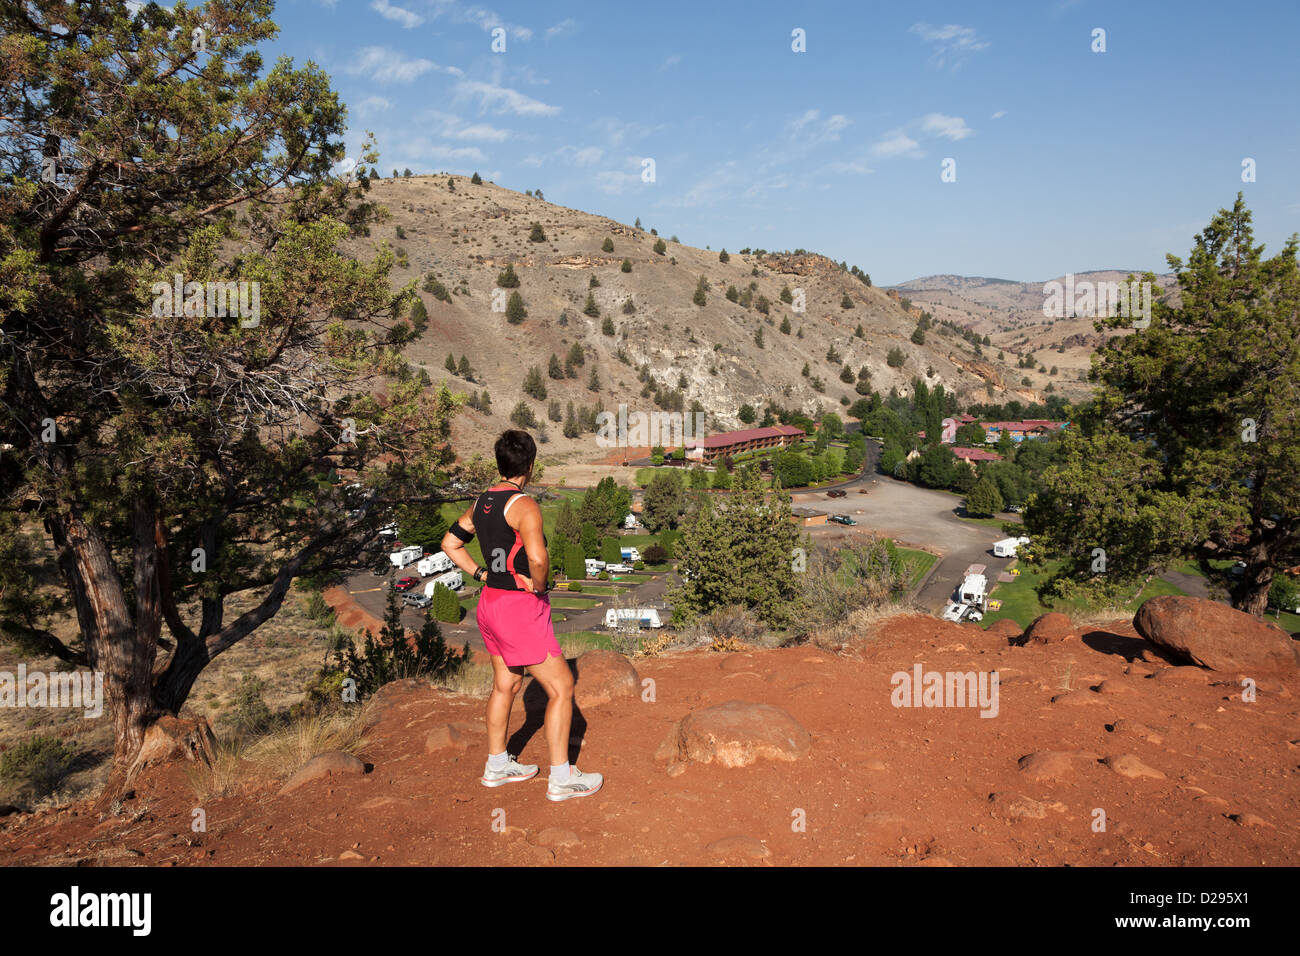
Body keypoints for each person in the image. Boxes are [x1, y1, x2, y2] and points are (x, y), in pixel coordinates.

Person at [440, 429, 603, 801]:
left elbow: (450, 544)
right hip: (518, 608)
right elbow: (538, 559)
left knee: (507, 684)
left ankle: (497, 765)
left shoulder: (481, 502)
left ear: (501, 464)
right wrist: (541, 586)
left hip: (490, 603)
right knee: (561, 688)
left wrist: (481, 574)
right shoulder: (524, 505)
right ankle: (562, 777)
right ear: (529, 466)